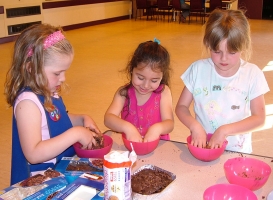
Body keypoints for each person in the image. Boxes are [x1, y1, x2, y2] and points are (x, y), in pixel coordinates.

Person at [4, 24, 101, 185]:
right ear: (31, 68)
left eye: (64, 71)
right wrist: (75, 134)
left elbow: (55, 118)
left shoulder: (48, 88)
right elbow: (33, 153)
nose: (63, 78)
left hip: (60, 171)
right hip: (39, 183)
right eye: (57, 73)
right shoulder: (27, 104)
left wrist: (82, 119)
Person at [175, 9, 269, 153]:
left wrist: (224, 130)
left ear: (243, 46)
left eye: (232, 52)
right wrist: (195, 126)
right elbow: (181, 107)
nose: (224, 59)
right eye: (216, 51)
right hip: (203, 148)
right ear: (208, 44)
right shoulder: (197, 70)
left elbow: (259, 117)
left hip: (237, 152)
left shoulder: (252, 74)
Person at [104, 39, 174, 142]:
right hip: (130, 146)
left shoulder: (164, 92)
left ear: (162, 76)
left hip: (158, 146)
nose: (145, 85)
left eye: (154, 80)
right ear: (132, 70)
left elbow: (169, 123)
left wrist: (157, 129)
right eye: (140, 78)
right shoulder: (123, 93)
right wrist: (127, 128)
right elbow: (108, 119)